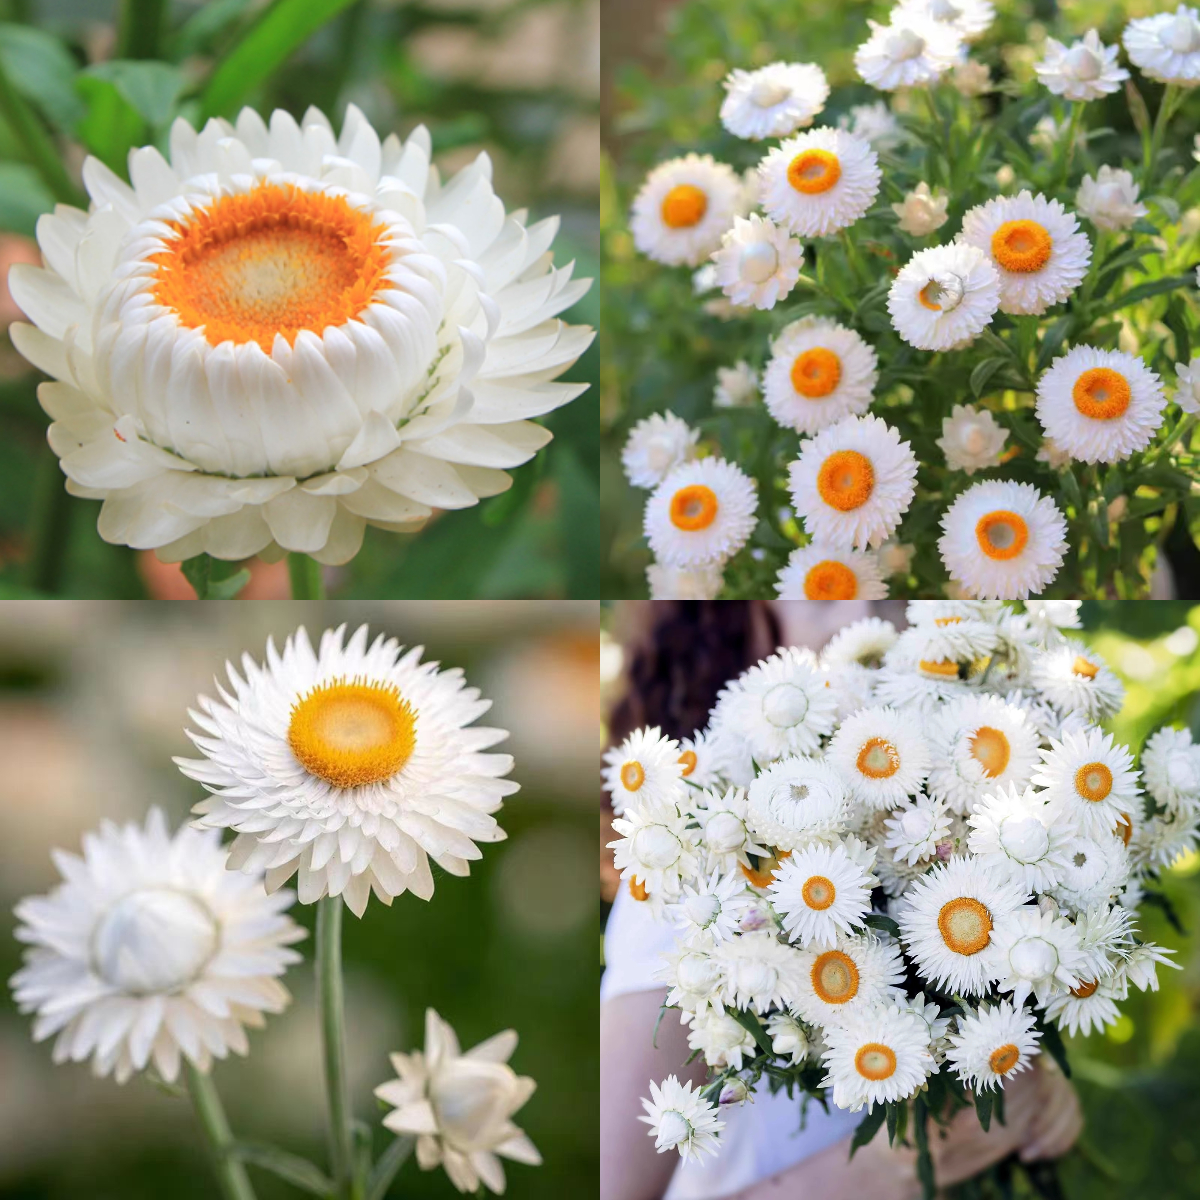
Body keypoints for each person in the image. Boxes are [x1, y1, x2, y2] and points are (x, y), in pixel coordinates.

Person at [600, 601, 1083, 1200]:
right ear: (737, 626)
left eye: (889, 601)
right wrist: (863, 1176)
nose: (861, 618)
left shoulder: (957, 836)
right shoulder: (692, 886)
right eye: (826, 595)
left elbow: (983, 1040)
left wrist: (1035, 1092)